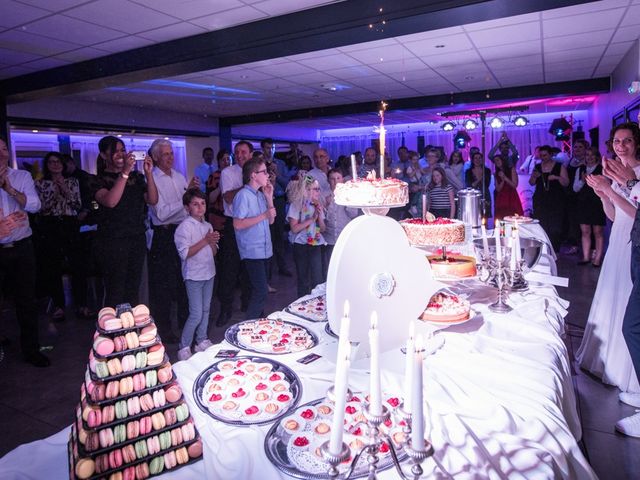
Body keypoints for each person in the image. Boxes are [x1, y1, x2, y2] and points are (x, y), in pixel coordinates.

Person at [577, 123, 640, 426]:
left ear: (637, 143)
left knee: (632, 311)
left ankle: (629, 373)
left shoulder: (636, 172)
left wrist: (616, 189)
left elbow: (634, 211)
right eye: (617, 141)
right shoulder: (617, 172)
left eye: (627, 141)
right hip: (619, 240)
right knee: (614, 301)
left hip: (634, 242)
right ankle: (611, 364)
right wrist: (603, 192)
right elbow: (613, 214)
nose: (622, 146)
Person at [0, 136, 49, 367]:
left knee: (26, 301)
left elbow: (34, 205)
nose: (1, 154)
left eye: (3, 149)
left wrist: (9, 189)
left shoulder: (21, 176)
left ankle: (31, 350)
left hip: (22, 247)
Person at [92, 135, 158, 308]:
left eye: (123, 150)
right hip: (112, 241)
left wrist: (149, 175)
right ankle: (114, 330)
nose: (121, 154)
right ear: (104, 155)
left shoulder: (136, 177)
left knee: (133, 288)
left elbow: (152, 200)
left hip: (136, 237)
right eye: (115, 151)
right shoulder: (97, 179)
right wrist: (125, 173)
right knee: (115, 290)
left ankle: (131, 329)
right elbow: (110, 201)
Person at [148, 139, 197, 344]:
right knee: (164, 287)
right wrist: (185, 199)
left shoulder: (179, 176)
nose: (170, 157)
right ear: (156, 156)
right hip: (164, 235)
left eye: (171, 153)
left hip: (182, 231)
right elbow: (161, 214)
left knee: (184, 280)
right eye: (165, 154)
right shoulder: (152, 179)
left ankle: (187, 326)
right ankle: (165, 330)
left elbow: (186, 209)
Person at [34, 151, 82, 322]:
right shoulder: (40, 184)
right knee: (53, 267)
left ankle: (81, 304)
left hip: (69, 223)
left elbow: (77, 205)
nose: (55, 165)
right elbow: (42, 209)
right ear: (47, 165)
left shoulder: (73, 182)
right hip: (50, 224)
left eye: (58, 162)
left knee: (77, 264)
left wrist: (64, 189)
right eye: (51, 162)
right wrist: (54, 192)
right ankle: (59, 305)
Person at [174, 188, 219, 361]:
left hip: (209, 273)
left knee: (206, 309)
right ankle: (184, 345)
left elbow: (213, 252)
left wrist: (212, 242)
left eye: (203, 203)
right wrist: (206, 240)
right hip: (193, 275)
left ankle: (201, 340)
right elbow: (185, 254)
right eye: (195, 204)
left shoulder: (207, 225)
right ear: (187, 208)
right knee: (196, 313)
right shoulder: (184, 228)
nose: (200, 207)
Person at [233, 157, 275, 319]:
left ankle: (258, 323)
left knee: (260, 292)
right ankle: (248, 328)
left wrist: (269, 197)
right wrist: (264, 214)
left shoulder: (259, 195)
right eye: (264, 172)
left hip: (265, 250)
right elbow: (237, 224)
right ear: (253, 175)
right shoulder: (243, 195)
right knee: (261, 292)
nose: (267, 175)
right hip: (252, 251)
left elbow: (271, 220)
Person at [217, 140, 252, 325]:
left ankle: (248, 305)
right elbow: (229, 198)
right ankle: (225, 309)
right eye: (236, 152)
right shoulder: (227, 172)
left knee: (250, 267)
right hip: (233, 223)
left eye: (243, 152)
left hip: (252, 224)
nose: (239, 155)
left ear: (251, 154)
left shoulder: (257, 171)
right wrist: (249, 185)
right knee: (229, 269)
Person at [288, 173, 326, 297]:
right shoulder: (296, 205)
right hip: (301, 245)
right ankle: (301, 307)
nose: (318, 192)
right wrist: (311, 219)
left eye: (318, 189)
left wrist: (319, 217)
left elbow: (323, 228)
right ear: (306, 190)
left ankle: (317, 306)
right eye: (315, 189)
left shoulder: (317, 205)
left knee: (317, 278)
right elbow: (294, 229)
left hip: (316, 243)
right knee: (303, 278)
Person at [529, 145, 569, 252]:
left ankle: (555, 250)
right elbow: (531, 183)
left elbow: (566, 183)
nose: (543, 157)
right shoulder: (537, 167)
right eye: (541, 155)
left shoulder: (559, 166)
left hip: (556, 199)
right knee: (542, 225)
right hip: (541, 199)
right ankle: (543, 250)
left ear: (551, 155)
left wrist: (556, 177)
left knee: (555, 227)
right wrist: (534, 176)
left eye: (545, 155)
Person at [572, 146, 606, 266]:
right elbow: (575, 188)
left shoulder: (602, 169)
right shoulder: (580, 169)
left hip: (597, 203)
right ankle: (586, 257)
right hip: (583, 203)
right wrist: (582, 180)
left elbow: (607, 187)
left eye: (592, 155)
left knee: (598, 232)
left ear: (597, 156)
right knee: (585, 231)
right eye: (587, 155)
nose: (590, 157)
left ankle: (597, 259)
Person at [323, 168, 358, 277]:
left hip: (343, 237)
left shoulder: (348, 194)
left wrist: (346, 200)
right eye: (332, 179)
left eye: (338, 178)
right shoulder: (323, 195)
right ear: (328, 181)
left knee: (345, 268)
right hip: (329, 239)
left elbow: (353, 214)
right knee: (329, 269)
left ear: (342, 179)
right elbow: (322, 219)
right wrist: (326, 205)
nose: (336, 181)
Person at [493, 154, 523, 220]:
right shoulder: (496, 173)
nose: (496, 162)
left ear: (502, 160)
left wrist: (505, 177)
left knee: (513, 216)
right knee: (501, 217)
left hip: (511, 196)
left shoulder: (511, 169)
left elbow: (515, 185)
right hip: (501, 198)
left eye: (498, 160)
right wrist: (503, 180)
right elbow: (498, 189)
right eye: (495, 161)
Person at [465, 151, 492, 219]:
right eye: (476, 158)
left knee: (485, 216)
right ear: (472, 160)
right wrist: (479, 179)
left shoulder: (487, 170)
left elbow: (487, 184)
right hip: (473, 195)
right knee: (474, 216)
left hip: (485, 194)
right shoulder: (468, 171)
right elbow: (469, 185)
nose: (478, 160)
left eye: (480, 158)